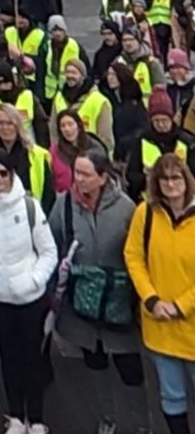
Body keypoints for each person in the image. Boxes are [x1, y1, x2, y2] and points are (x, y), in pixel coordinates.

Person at [0, 148, 59, 432]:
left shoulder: (29, 205)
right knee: (9, 358)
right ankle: (16, 416)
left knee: (33, 359)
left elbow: (48, 252)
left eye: (3, 173)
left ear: (12, 173)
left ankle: (37, 420)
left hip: (30, 300)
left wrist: (34, 280)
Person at [53, 146, 148, 434]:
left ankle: (143, 425)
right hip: (83, 307)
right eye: (76, 173)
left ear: (103, 177)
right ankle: (108, 419)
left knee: (131, 371)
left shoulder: (127, 209)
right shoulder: (64, 204)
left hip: (119, 306)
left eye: (85, 174)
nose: (78, 179)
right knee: (95, 366)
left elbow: (141, 253)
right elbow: (53, 241)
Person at [126, 151, 195, 434]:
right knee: (171, 396)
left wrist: (180, 306)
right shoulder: (145, 213)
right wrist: (152, 300)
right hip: (160, 326)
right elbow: (133, 256)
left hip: (190, 325)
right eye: (163, 178)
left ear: (187, 179)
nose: (170, 183)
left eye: (175, 177)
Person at [128, 90, 195, 199]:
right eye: (156, 121)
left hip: (182, 199)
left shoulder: (186, 141)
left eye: (164, 120)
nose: (160, 124)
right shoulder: (143, 140)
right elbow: (132, 175)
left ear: (171, 118)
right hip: (151, 199)